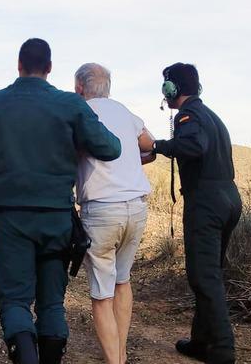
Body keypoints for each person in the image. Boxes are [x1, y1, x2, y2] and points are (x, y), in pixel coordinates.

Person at [0, 39, 121, 364]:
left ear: (18, 64)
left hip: (10, 220)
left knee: (15, 300)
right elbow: (111, 148)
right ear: (49, 68)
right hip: (57, 220)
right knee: (52, 303)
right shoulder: (70, 105)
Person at [151, 63, 242, 364]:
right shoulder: (211, 116)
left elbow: (193, 145)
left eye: (166, 86)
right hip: (228, 197)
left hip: (206, 202)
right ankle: (202, 341)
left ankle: (223, 349)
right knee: (210, 274)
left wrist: (157, 145)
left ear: (171, 89)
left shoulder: (187, 116)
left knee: (203, 277)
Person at [73, 63, 156, 364]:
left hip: (101, 210)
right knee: (123, 281)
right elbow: (149, 143)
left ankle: (115, 361)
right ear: (108, 87)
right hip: (136, 206)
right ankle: (120, 353)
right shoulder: (124, 111)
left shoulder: (79, 113)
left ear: (79, 87)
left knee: (101, 294)